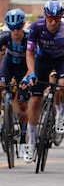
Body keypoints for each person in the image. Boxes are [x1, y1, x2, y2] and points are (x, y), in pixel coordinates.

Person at [21, 0, 64, 162]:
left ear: (61, 17)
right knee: (35, 101)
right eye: (50, 18)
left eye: (57, 19)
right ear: (45, 17)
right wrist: (32, 73)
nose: (53, 22)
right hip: (42, 60)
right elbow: (30, 53)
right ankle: (32, 141)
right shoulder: (36, 27)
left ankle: (62, 114)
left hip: (61, 59)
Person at [0, 9, 30, 161]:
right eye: (12, 29)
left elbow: (35, 61)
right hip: (8, 65)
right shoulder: (4, 37)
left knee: (24, 105)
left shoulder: (30, 38)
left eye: (18, 28)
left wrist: (28, 77)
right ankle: (3, 115)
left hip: (24, 68)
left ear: (23, 25)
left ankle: (24, 143)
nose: (15, 32)